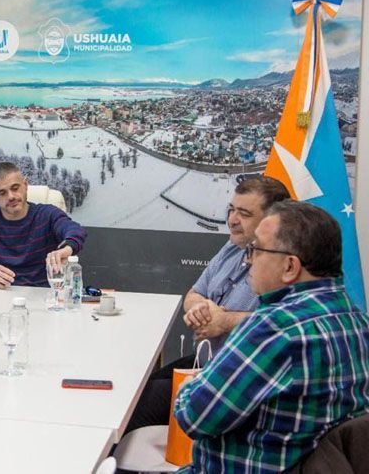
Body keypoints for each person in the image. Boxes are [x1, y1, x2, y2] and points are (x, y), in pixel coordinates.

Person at [174, 201, 369, 473]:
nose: (247, 259)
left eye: (256, 250)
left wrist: (187, 388)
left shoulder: (274, 329)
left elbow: (194, 416)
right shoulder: (357, 320)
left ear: (290, 266)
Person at [124, 176, 289, 434]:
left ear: (271, 221)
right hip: (206, 359)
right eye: (231, 210)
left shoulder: (281, 266)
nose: (232, 220)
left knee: (136, 409)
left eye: (244, 213)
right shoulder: (234, 245)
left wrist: (225, 321)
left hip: (234, 377)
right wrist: (200, 310)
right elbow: (193, 294)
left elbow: (282, 322)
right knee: (140, 386)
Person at [0, 162, 87, 288]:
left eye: (15, 188)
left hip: (41, 296)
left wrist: (67, 248)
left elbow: (75, 230)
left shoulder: (47, 214)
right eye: (2, 193)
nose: (11, 196)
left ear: (25, 186)